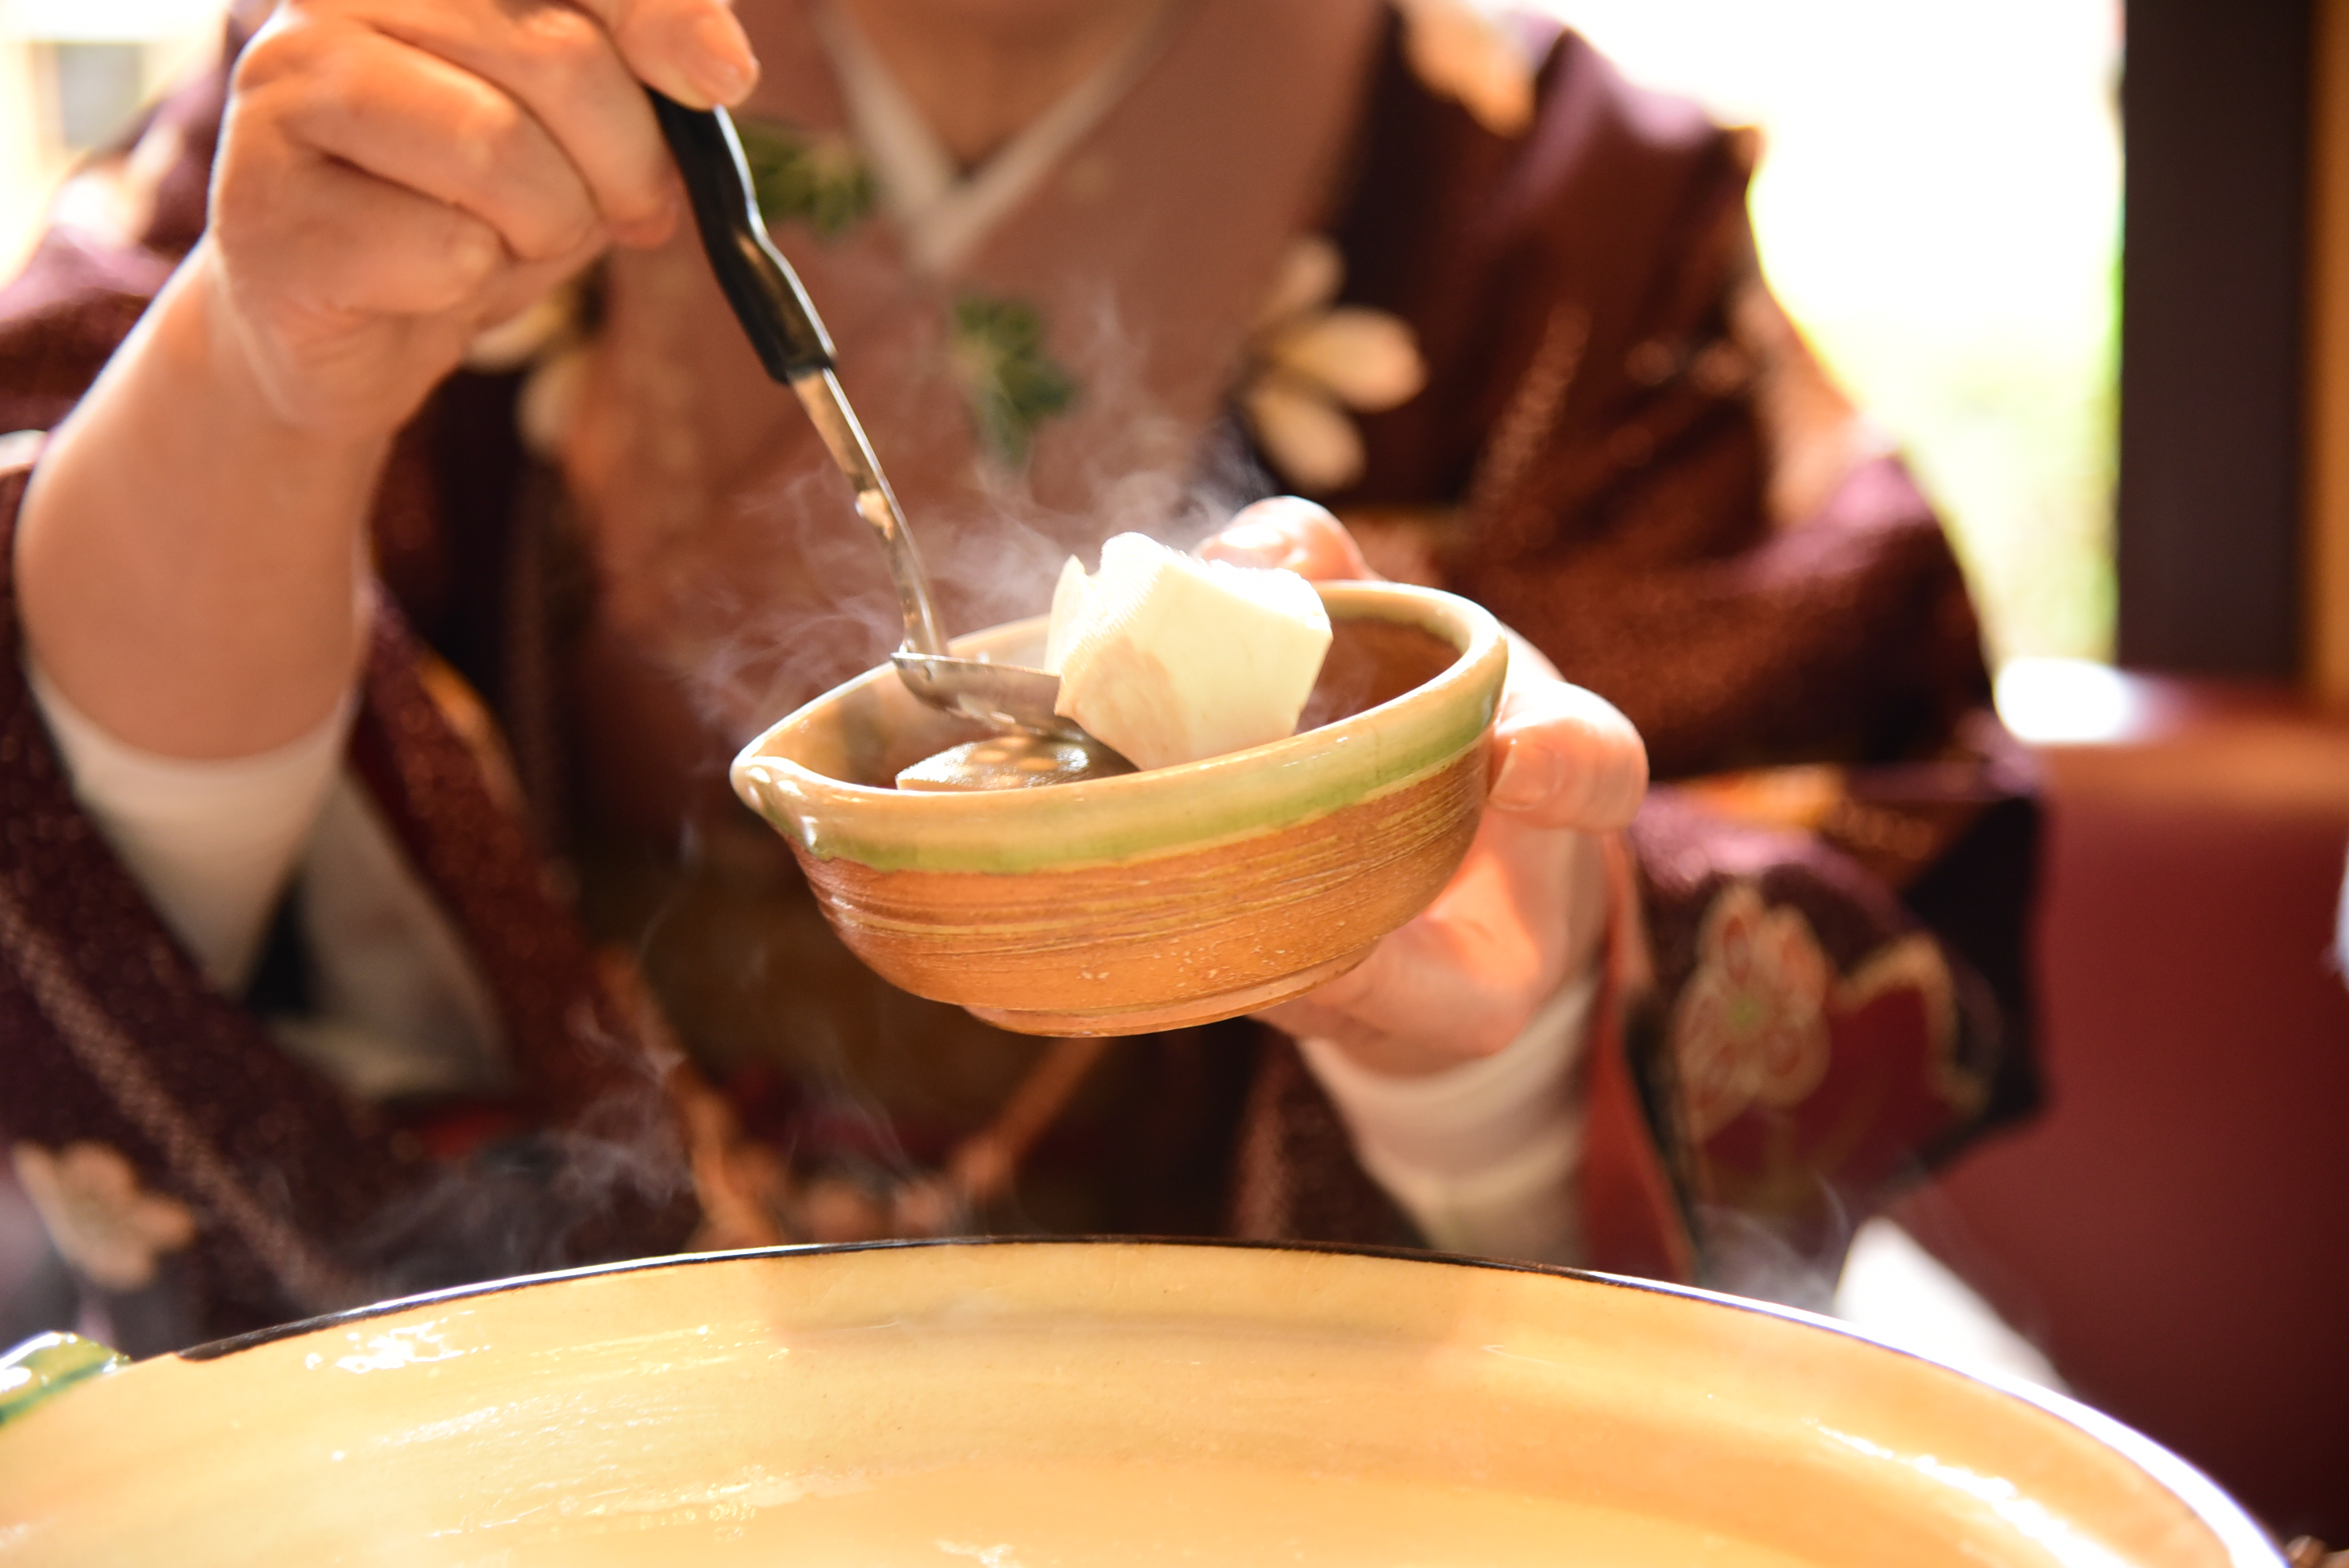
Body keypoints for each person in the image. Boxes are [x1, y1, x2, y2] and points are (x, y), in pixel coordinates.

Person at [0, 0, 2036, 1354]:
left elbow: (1844, 828)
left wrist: (1500, 1035)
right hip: (521, 1429)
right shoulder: (398, 79)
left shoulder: (1561, 213)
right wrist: (258, 371)